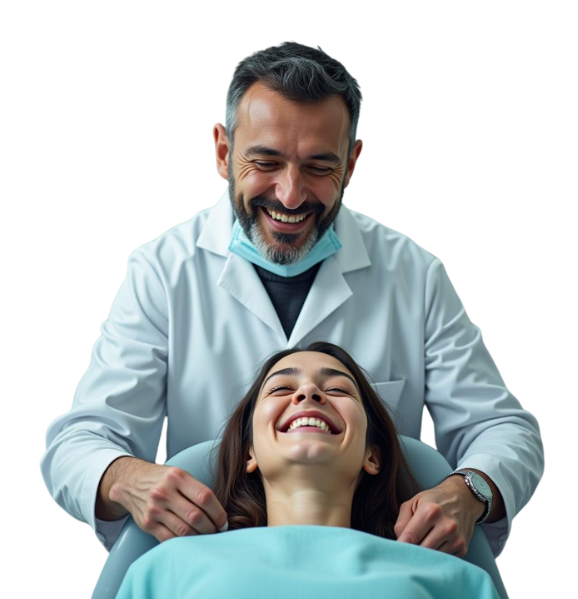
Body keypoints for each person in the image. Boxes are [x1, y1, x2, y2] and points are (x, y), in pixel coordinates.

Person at [40, 40, 545, 563]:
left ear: (352, 164)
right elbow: (79, 442)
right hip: (212, 570)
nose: (290, 194)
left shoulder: (413, 274)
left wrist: (469, 491)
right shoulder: (162, 271)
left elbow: (503, 429)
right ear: (222, 152)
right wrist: (125, 478)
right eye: (266, 161)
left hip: (374, 573)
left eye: (319, 167)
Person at [115, 342, 502, 599]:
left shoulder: (456, 581)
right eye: (281, 389)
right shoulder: (163, 570)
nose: (308, 393)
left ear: (373, 455)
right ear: (249, 452)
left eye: (338, 390)